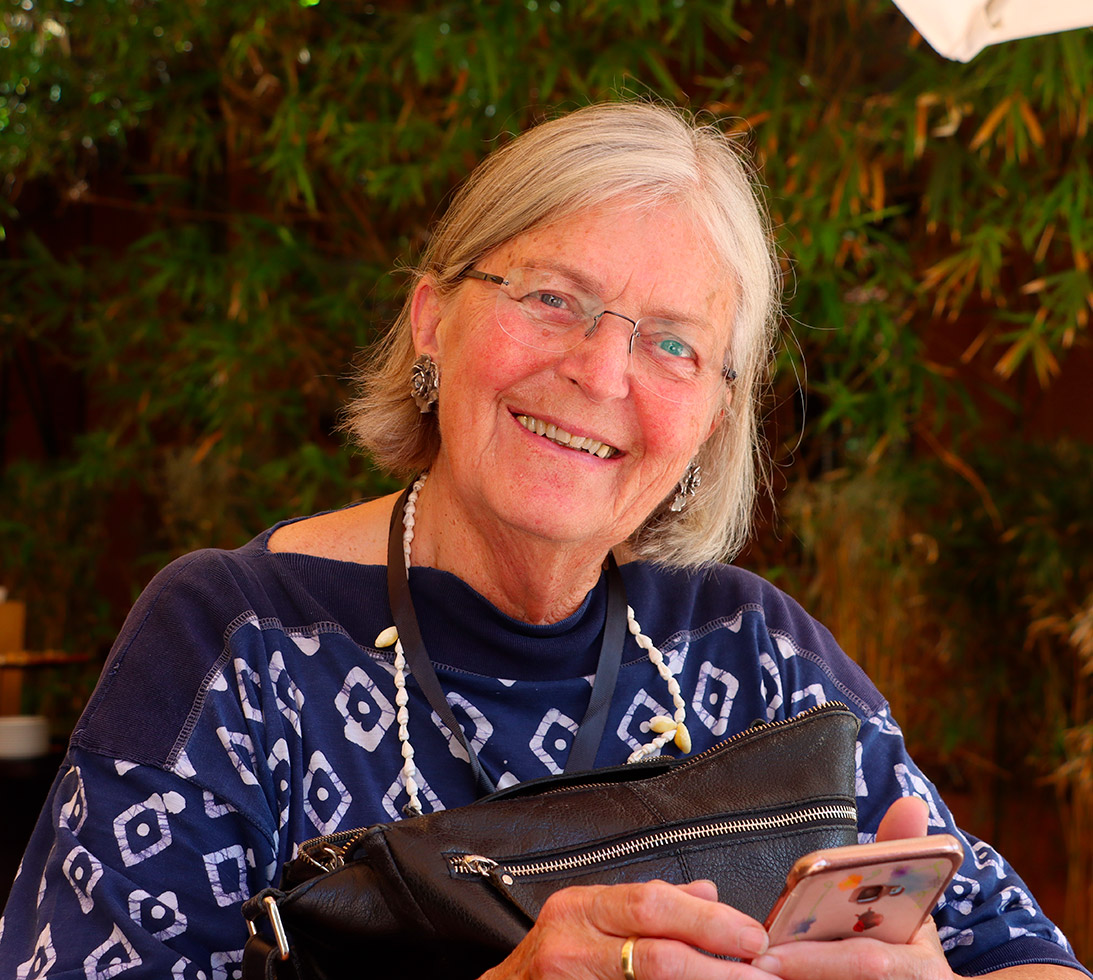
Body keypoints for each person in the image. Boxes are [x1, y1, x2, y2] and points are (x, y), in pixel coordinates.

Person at [0, 101, 1087, 980]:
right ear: (432, 319)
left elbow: (1029, 955)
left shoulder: (758, 653)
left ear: (715, 416)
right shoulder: (235, 645)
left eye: (672, 343)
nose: (600, 372)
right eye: (555, 299)